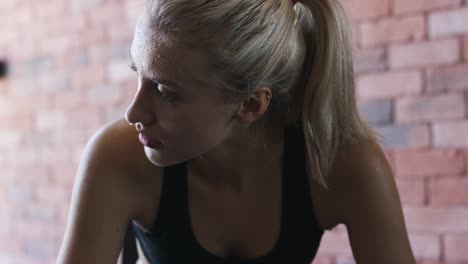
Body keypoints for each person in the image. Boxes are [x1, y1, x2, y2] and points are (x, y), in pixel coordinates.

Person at [57, 0, 416, 263]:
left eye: (165, 92)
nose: (133, 112)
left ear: (250, 105)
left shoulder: (342, 162)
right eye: (139, 73)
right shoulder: (118, 156)